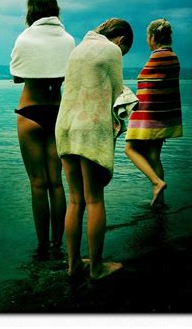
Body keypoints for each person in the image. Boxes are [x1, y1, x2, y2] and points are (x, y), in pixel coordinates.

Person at [55, 18, 133, 279]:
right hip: (89, 130)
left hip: (65, 126)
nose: (122, 53)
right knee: (94, 198)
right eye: (125, 50)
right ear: (121, 40)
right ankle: (97, 267)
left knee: (75, 200)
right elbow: (117, 94)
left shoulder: (78, 49)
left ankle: (73, 264)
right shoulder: (111, 52)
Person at [10, 0, 75, 256]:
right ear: (55, 9)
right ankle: (59, 245)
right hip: (58, 112)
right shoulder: (69, 40)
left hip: (30, 112)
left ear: (31, 12)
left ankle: (42, 247)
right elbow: (66, 76)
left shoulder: (24, 39)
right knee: (56, 183)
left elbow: (17, 76)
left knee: (37, 184)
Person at [125, 19, 182, 206]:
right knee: (154, 156)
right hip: (164, 117)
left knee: (130, 149)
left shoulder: (158, 56)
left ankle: (157, 183)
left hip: (149, 118)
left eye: (148, 37)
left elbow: (147, 88)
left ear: (152, 37)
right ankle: (160, 201)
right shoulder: (173, 57)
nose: (147, 41)